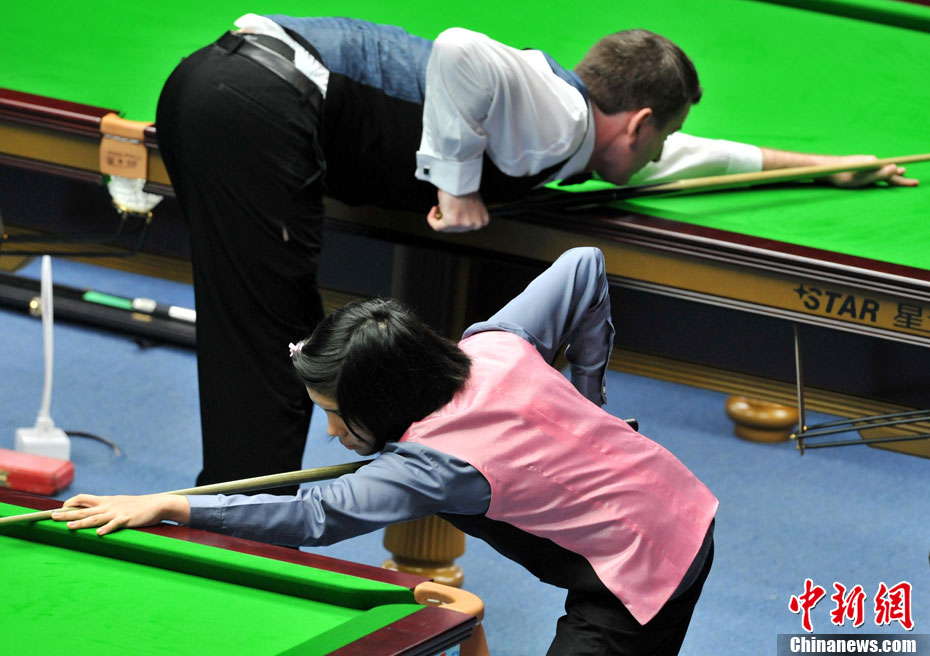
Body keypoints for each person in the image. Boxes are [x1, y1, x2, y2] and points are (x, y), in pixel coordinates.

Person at [155, 14, 918, 494]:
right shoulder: (557, 114)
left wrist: (827, 167)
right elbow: (460, 51)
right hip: (258, 100)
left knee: (269, 340)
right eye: (658, 139)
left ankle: (237, 525)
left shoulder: (576, 130)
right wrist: (457, 187)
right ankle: (238, 542)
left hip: (223, 88)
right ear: (638, 123)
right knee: (276, 350)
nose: (661, 156)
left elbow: (702, 157)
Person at [55, 247, 718, 654]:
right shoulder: (493, 343)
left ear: (380, 400)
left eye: (336, 415)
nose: (331, 433)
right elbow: (584, 266)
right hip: (670, 490)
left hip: (647, 565)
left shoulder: (432, 465)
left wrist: (172, 505)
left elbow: (313, 517)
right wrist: (588, 395)